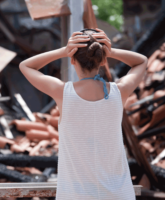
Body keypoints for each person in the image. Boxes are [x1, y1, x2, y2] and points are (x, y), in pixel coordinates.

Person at [19, 28, 147, 200]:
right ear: (102, 60)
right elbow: (141, 61)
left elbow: (25, 65)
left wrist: (62, 51)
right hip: (119, 194)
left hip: (75, 195)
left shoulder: (62, 93)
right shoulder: (119, 91)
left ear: (72, 60)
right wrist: (112, 51)